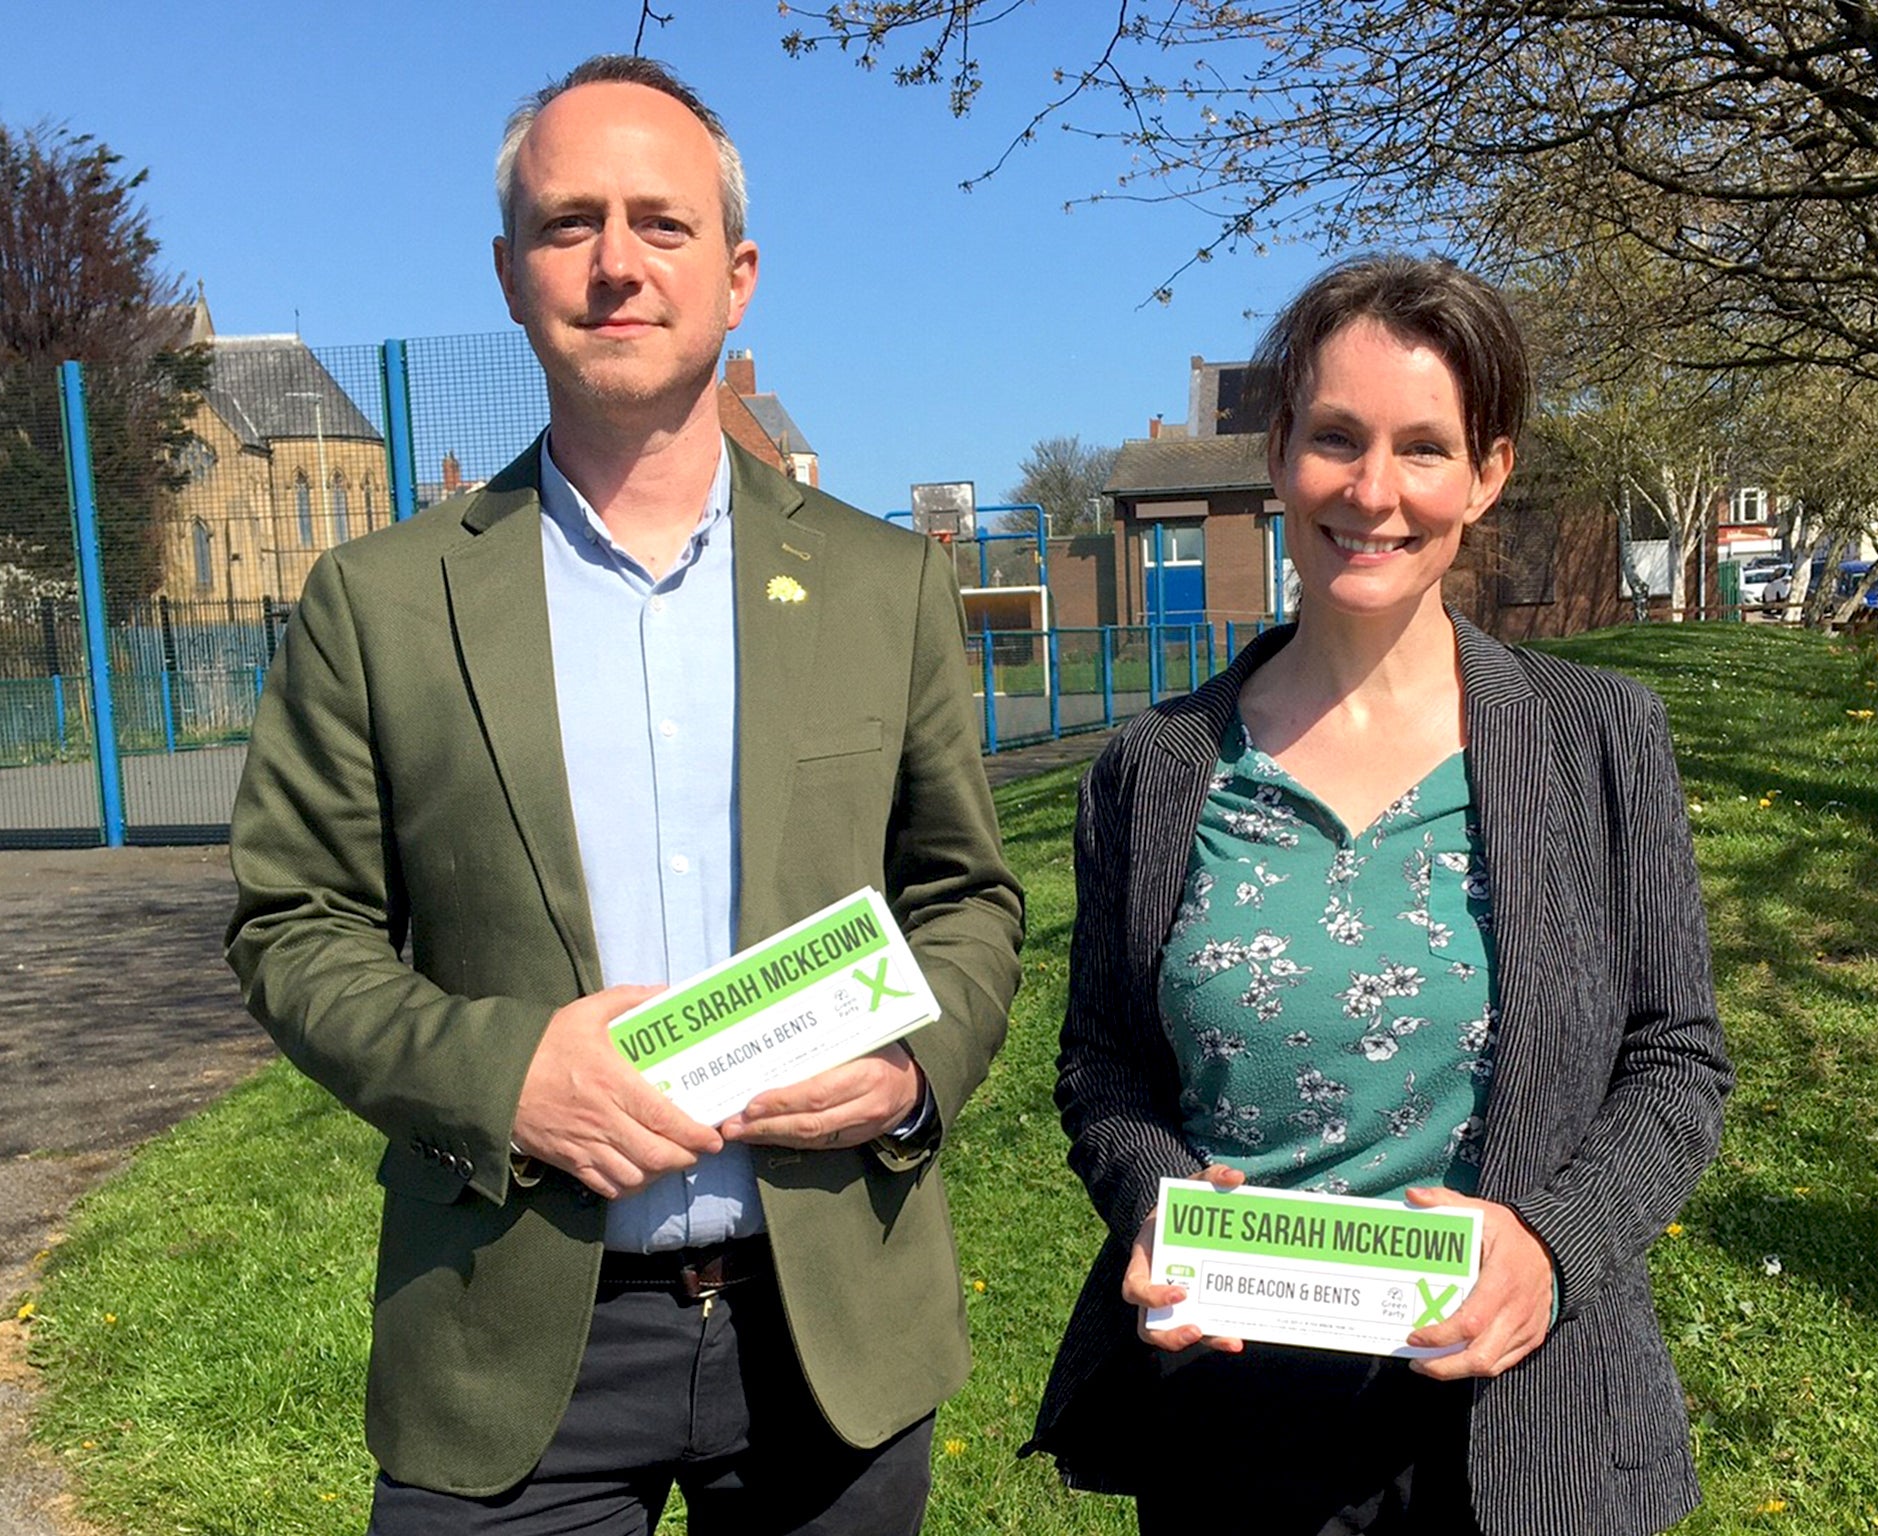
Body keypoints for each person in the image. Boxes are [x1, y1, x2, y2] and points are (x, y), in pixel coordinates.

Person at [226, 54, 1023, 1536]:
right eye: (567, 223)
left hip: (829, 1329)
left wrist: (915, 1070)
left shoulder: (882, 582)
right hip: (513, 1334)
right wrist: (500, 1076)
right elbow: (292, 924)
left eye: (660, 224)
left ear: (738, 275)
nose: (614, 265)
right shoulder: (380, 602)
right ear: (510, 272)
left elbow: (966, 897)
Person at [1028, 255, 1730, 1535]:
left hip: (1519, 1409)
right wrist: (1152, 1196)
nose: (1372, 492)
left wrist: (1553, 1247)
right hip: (1231, 1420)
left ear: (1487, 474)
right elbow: (1100, 1068)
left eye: (1423, 449)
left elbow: (1675, 1061)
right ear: (1277, 451)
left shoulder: (1594, 739)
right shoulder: (1155, 769)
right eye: (1335, 440)